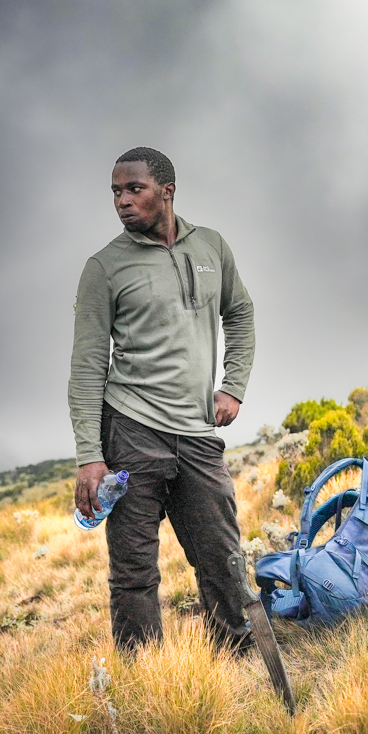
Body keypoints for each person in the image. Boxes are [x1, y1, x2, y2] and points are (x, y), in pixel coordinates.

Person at [69, 146, 255, 653]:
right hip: (130, 431)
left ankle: (234, 655)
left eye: (134, 189)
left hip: (196, 433)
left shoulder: (212, 247)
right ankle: (144, 679)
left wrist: (233, 385)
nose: (122, 201)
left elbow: (239, 313)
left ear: (167, 191)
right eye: (115, 191)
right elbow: (87, 364)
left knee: (220, 555)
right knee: (134, 571)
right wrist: (90, 455)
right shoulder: (105, 267)